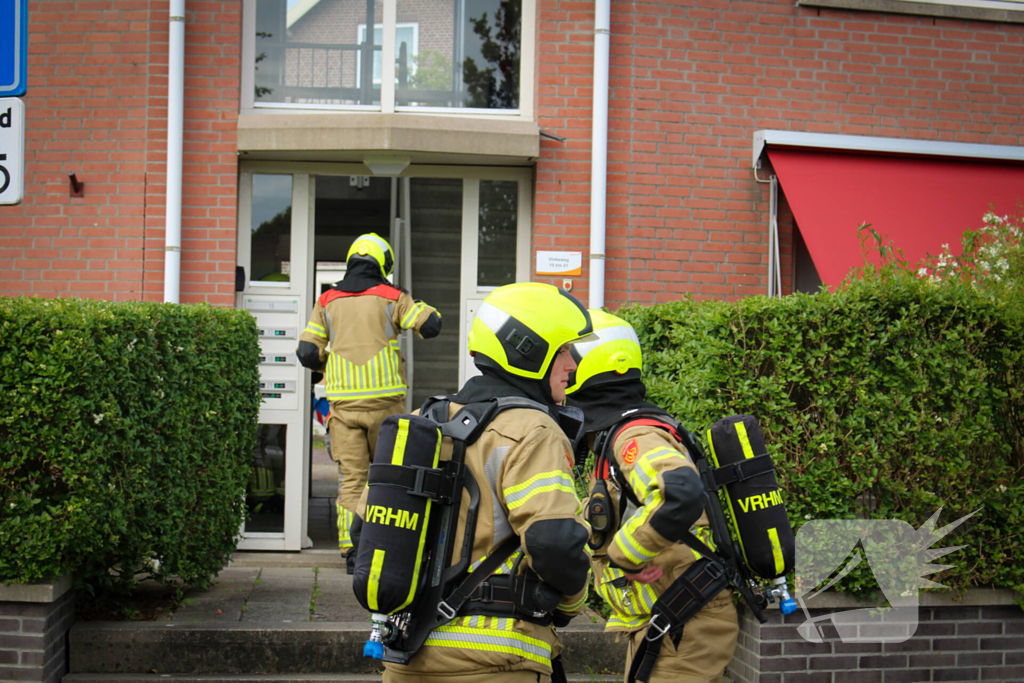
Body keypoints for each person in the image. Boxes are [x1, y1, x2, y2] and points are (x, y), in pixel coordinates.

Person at [378, 282, 594, 683]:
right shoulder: (534, 430)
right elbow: (554, 543)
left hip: (407, 653)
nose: (573, 366)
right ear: (529, 350)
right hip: (493, 661)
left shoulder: (429, 418)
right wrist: (572, 602)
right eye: (565, 350)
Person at [565, 310, 738, 683]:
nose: (562, 369)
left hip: (684, 623)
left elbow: (678, 491)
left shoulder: (632, 436)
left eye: (568, 358)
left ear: (589, 365)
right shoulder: (617, 431)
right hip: (669, 620)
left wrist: (625, 554)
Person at [297, 233, 442, 571]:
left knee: (352, 479)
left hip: (344, 408)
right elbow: (431, 325)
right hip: (386, 408)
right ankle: (387, 545)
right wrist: (417, 304)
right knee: (389, 477)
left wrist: (324, 367)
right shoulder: (392, 296)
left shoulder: (327, 300)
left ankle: (352, 552)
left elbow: (306, 351)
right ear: (382, 264)